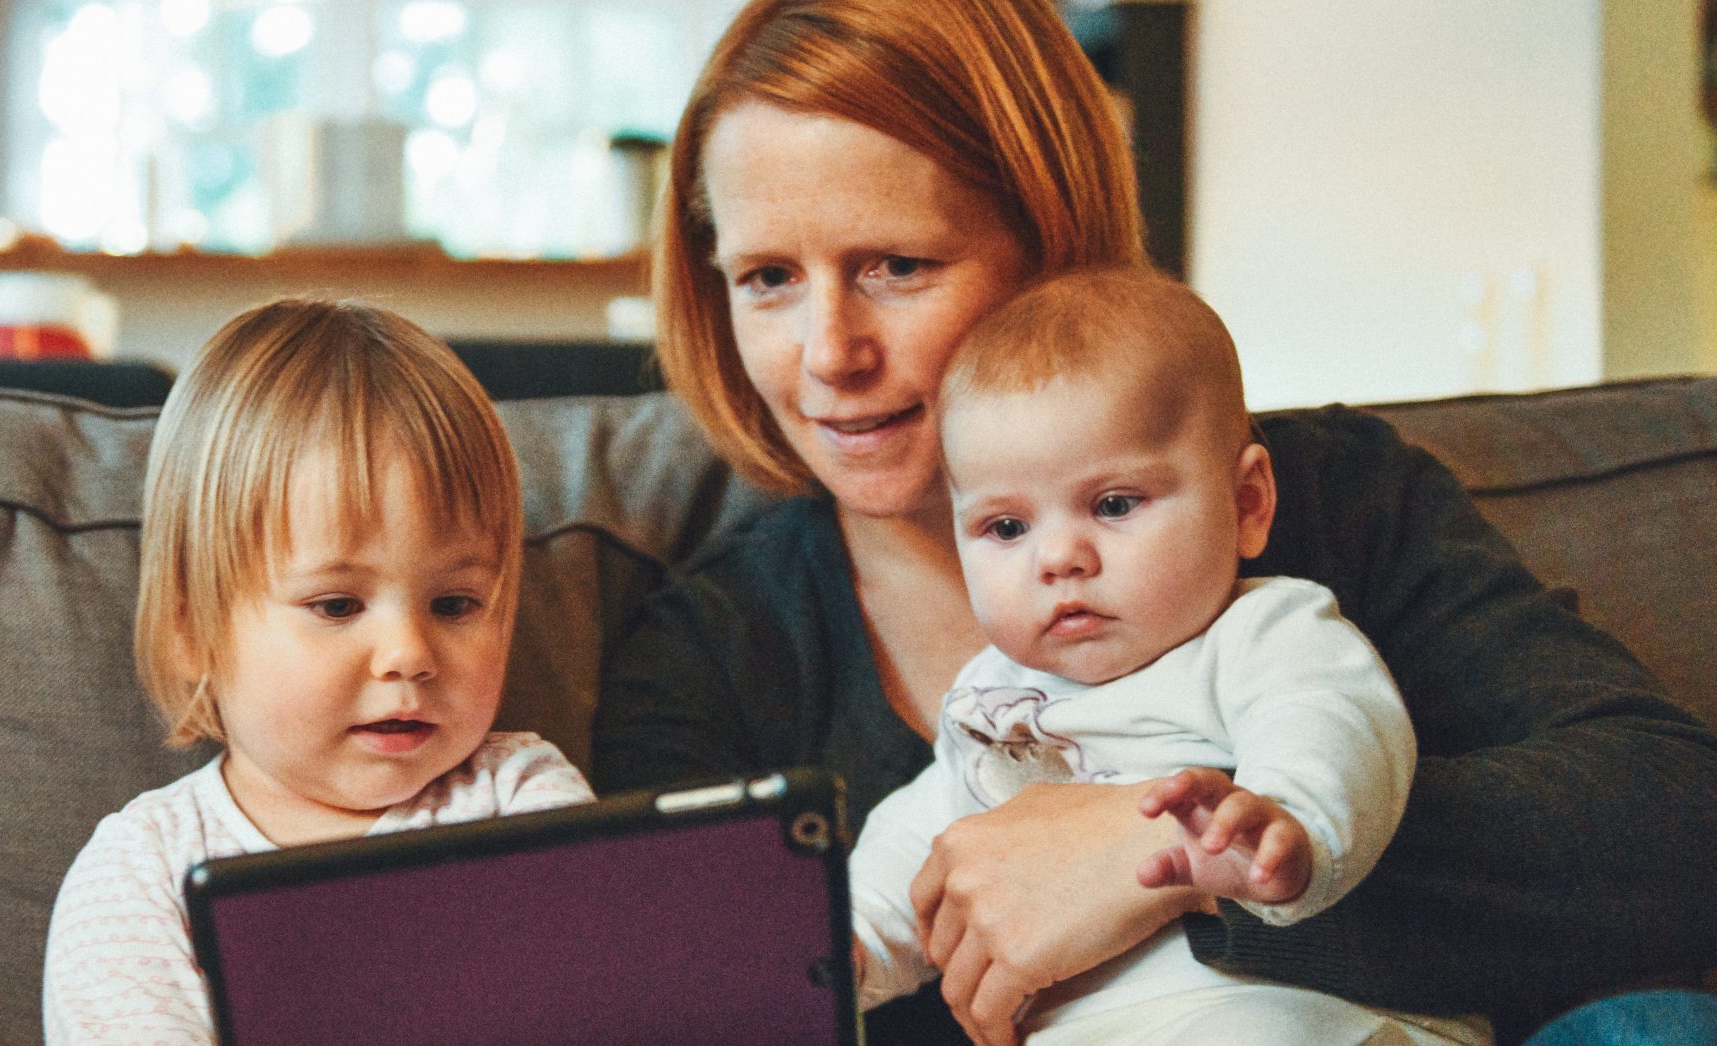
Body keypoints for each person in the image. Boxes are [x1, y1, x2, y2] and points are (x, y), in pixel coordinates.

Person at [590, 1, 1717, 1043]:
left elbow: (1675, 827)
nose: (831, 353)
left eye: (897, 265)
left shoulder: (1326, 498)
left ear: (1050, 242)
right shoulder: (705, 662)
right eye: (769, 278)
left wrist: (1168, 851)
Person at [847, 267, 1478, 1044]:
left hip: (1288, 1020)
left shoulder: (1262, 633)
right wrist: (844, 947)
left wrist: (1289, 824)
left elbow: (1332, 721)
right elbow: (923, 841)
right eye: (1006, 528)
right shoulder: (989, 697)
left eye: (1114, 505)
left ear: (1246, 504)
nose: (1059, 558)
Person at [41, 298, 595, 1045]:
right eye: (337, 605)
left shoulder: (524, 800)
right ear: (190, 629)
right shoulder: (142, 878)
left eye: (456, 603)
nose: (409, 654)